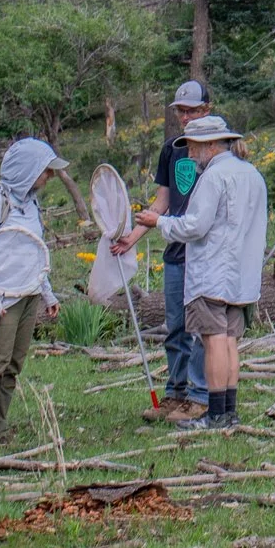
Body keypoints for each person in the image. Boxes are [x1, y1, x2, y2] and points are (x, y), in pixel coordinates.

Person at [121, 112, 264, 431]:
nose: (189, 153)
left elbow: (195, 226)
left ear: (211, 144)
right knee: (228, 342)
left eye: (194, 146)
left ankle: (214, 415)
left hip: (212, 273)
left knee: (214, 341)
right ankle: (228, 413)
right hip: (240, 273)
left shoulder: (213, 177)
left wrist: (159, 222)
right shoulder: (251, 174)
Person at [112, 81, 210, 423]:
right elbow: (164, 201)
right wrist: (133, 237)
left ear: (207, 110)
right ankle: (175, 393)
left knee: (202, 327)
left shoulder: (216, 149)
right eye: (181, 111)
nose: (185, 116)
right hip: (175, 251)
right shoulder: (172, 149)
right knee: (176, 326)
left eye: (193, 110)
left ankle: (200, 396)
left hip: (206, 252)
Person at [0, 137, 62, 446]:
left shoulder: (31, 203)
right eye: (45, 171)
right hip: (1, 297)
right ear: (28, 169)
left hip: (28, 295)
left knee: (13, 366)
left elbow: (34, 252)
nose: (49, 177)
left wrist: (47, 294)